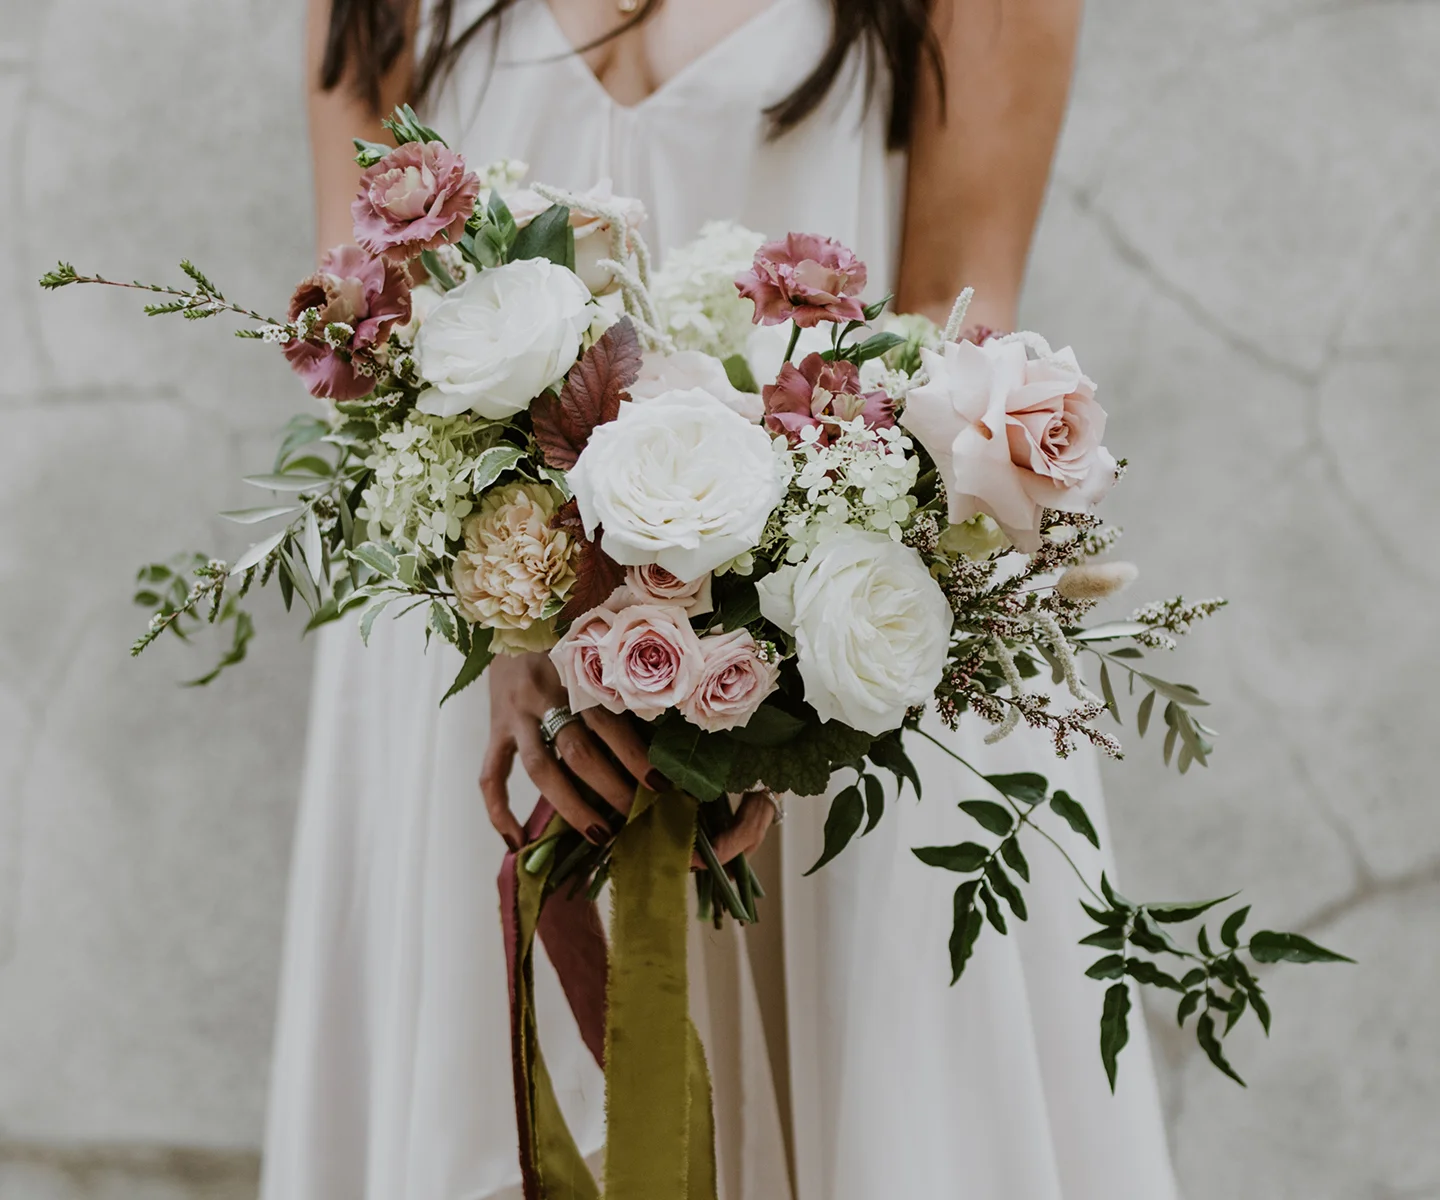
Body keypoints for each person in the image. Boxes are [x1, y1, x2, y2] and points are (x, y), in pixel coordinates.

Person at [263, 1, 1182, 1197]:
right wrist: (518, 615)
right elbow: (356, 326)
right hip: (475, 666)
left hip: (837, 637)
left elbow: (956, 323)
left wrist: (765, 675)